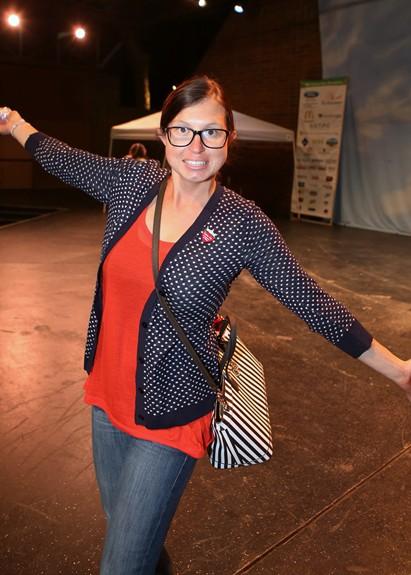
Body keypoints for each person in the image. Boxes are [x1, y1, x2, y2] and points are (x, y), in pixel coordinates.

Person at [0, 76, 410, 575]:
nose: (196, 147)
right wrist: (13, 122)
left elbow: (309, 301)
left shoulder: (242, 223)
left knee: (121, 564)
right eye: (183, 131)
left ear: (229, 138)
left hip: (173, 412)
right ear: (163, 135)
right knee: (129, 536)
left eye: (211, 133)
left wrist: (400, 371)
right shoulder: (131, 182)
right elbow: (61, 158)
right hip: (105, 399)